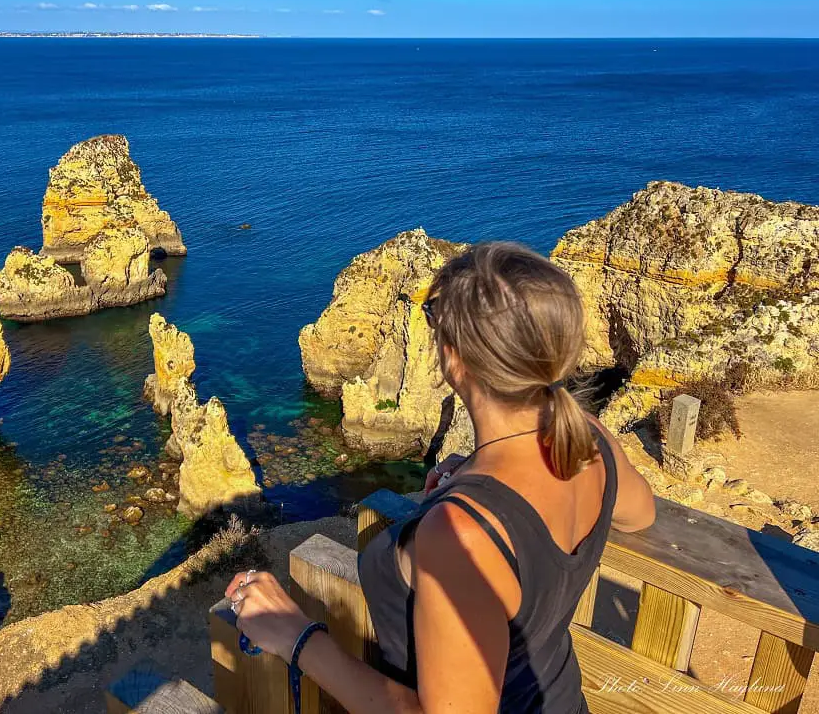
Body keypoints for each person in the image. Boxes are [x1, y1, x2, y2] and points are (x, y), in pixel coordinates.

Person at [226, 241, 656, 714]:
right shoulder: (588, 438)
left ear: (454, 358)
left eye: (433, 318)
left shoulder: (463, 535)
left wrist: (296, 636)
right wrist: (474, 473)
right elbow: (640, 515)